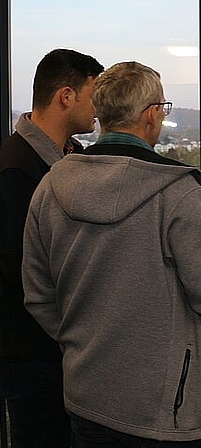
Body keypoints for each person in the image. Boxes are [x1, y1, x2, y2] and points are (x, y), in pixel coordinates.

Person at [22, 61, 201, 447]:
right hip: (167, 410)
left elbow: (38, 294)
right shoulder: (177, 193)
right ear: (152, 115)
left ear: (102, 116)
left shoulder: (51, 185)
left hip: (87, 395)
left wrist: (81, 341)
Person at [0, 48, 104, 448]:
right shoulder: (16, 168)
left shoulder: (73, 158)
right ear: (66, 96)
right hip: (32, 353)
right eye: (93, 95)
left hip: (68, 348)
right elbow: (19, 267)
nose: (98, 109)